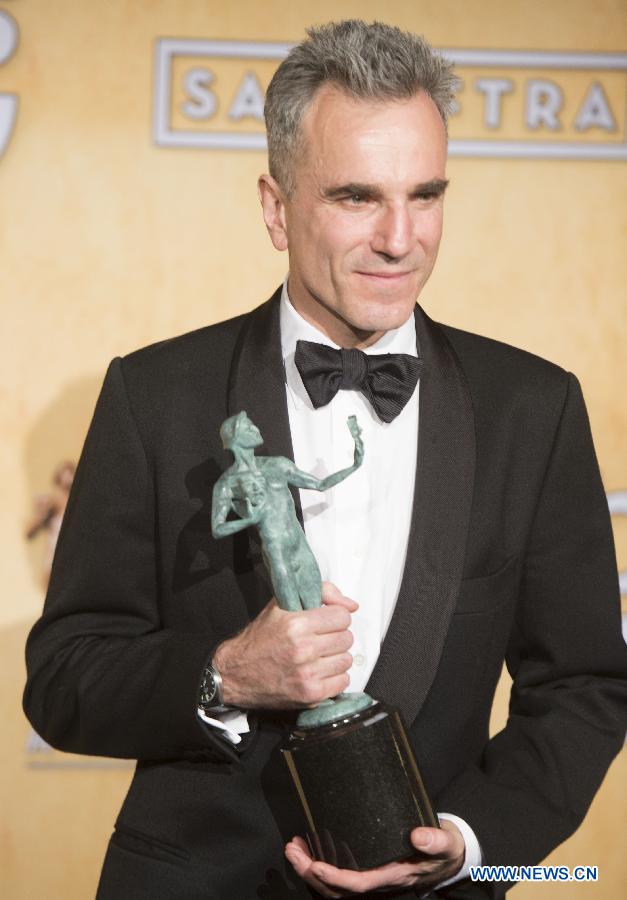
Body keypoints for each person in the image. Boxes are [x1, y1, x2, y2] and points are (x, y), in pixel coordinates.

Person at [23, 20, 627, 900]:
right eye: (356, 197)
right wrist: (226, 674)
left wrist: (467, 843)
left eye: (424, 195)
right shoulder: (156, 396)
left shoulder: (531, 408)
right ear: (276, 207)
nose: (399, 238)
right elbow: (67, 677)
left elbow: (582, 685)